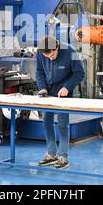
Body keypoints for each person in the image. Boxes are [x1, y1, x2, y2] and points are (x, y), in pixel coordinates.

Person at [35, 36, 86, 169]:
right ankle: (51, 154)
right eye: (47, 56)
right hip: (48, 91)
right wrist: (42, 88)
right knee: (46, 121)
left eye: (52, 55)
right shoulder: (41, 52)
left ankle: (63, 156)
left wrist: (67, 87)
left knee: (63, 124)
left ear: (56, 46)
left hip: (64, 91)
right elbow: (39, 72)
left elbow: (80, 73)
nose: (50, 58)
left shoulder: (71, 51)